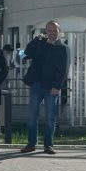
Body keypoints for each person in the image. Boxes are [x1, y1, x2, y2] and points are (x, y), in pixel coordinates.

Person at [21, 21, 69, 154]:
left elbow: (63, 70)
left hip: (51, 88)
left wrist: (57, 86)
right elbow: (27, 53)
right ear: (46, 31)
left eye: (55, 31)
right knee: (32, 116)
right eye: (49, 30)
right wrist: (36, 40)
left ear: (59, 32)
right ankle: (31, 143)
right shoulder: (40, 43)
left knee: (50, 117)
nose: (52, 33)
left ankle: (48, 144)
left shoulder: (63, 48)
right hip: (36, 84)